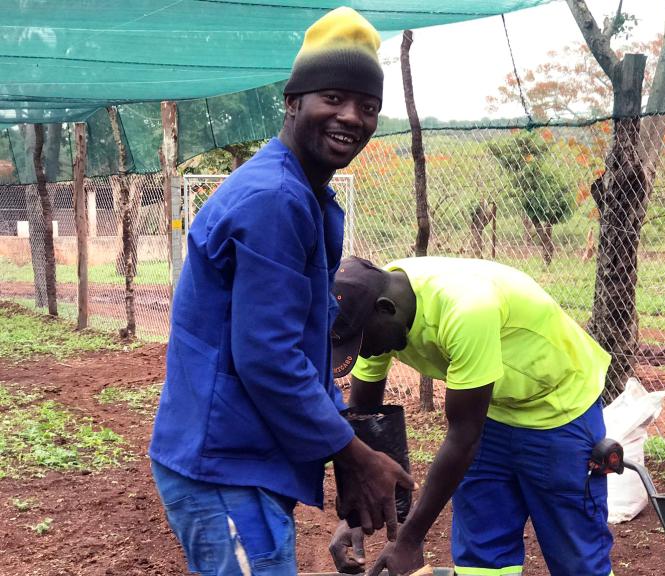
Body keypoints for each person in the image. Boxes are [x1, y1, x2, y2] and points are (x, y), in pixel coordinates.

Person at [148, 7, 413, 575]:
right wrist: (352, 454)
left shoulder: (304, 195)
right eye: (333, 98)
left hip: (238, 456)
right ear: (293, 102)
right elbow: (268, 358)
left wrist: (342, 441)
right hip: (224, 463)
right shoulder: (275, 200)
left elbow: (300, 344)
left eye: (368, 106)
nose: (352, 117)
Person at [328, 256, 615, 576]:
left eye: (361, 344)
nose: (362, 354)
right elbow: (367, 419)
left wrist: (409, 539)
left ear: (386, 309)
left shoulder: (466, 308)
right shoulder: (370, 304)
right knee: (482, 559)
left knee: (577, 556)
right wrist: (353, 516)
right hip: (491, 408)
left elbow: (464, 436)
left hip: (558, 409)